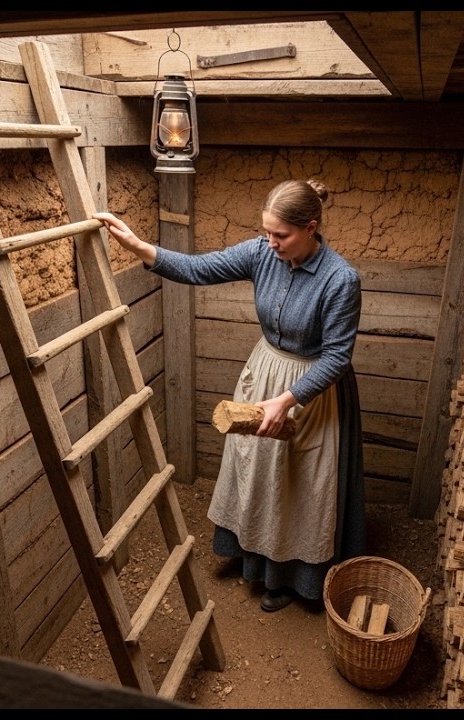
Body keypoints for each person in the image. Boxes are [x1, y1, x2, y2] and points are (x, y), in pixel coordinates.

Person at [94, 179, 365, 613]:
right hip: (265, 373)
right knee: (257, 472)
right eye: (267, 232)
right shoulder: (262, 254)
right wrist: (140, 247)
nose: (271, 243)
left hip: (312, 390)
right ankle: (252, 561)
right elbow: (199, 269)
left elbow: (337, 357)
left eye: (282, 235)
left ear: (311, 227)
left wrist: (288, 399)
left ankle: (289, 580)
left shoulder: (340, 279)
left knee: (299, 485)